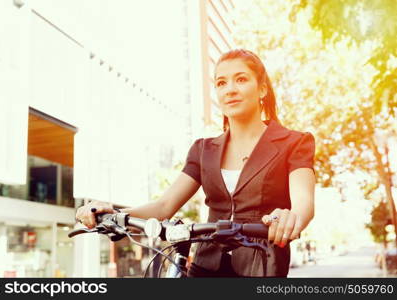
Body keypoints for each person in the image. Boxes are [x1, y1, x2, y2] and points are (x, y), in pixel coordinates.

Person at [75, 49, 316, 277]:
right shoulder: (203, 150)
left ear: (262, 89)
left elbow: (303, 204)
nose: (230, 90)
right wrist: (115, 213)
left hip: (262, 266)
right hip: (205, 267)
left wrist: (289, 218)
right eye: (221, 83)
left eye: (241, 80)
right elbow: (164, 206)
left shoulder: (293, 143)